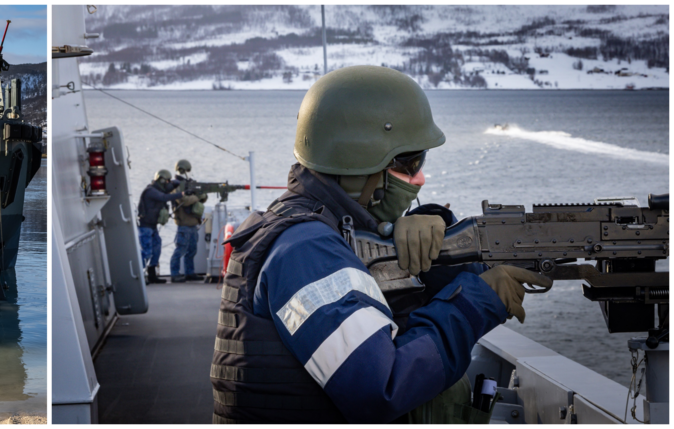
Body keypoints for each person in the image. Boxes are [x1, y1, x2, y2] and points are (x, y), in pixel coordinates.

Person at [209, 66, 551, 426]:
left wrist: (443, 251)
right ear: (359, 164)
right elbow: (381, 388)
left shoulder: (318, 230)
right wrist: (476, 302)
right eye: (409, 162)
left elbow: (381, 312)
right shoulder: (305, 251)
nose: (418, 178)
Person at [136, 169, 185, 284]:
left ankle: (152, 275)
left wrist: (177, 183)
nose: (168, 183)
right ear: (161, 180)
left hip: (152, 226)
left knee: (156, 249)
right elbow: (163, 197)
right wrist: (182, 194)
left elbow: (167, 189)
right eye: (166, 181)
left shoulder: (158, 189)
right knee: (146, 251)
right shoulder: (150, 191)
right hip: (145, 227)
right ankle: (140, 275)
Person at [169, 159, 208, 282]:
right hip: (184, 224)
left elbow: (203, 196)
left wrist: (202, 195)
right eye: (185, 170)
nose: (186, 173)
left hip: (193, 224)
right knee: (180, 250)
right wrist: (197, 196)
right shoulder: (175, 186)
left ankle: (189, 273)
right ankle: (174, 274)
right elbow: (184, 200)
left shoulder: (189, 184)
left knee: (192, 251)